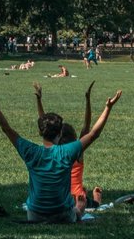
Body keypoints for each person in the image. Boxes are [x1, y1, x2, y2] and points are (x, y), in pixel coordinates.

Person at [0, 82, 121, 223]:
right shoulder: (67, 152)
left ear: (40, 132)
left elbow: (6, 129)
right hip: (63, 215)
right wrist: (108, 108)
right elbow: (93, 134)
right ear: (60, 132)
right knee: (77, 209)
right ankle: (79, 210)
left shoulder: (31, 151)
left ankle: (77, 209)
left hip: (34, 215)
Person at [35, 82, 97, 211]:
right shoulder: (77, 152)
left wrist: (39, 100)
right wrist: (88, 100)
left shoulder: (54, 151)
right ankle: (97, 198)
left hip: (60, 198)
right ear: (73, 136)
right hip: (78, 199)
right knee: (94, 203)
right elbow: (86, 126)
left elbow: (44, 123)